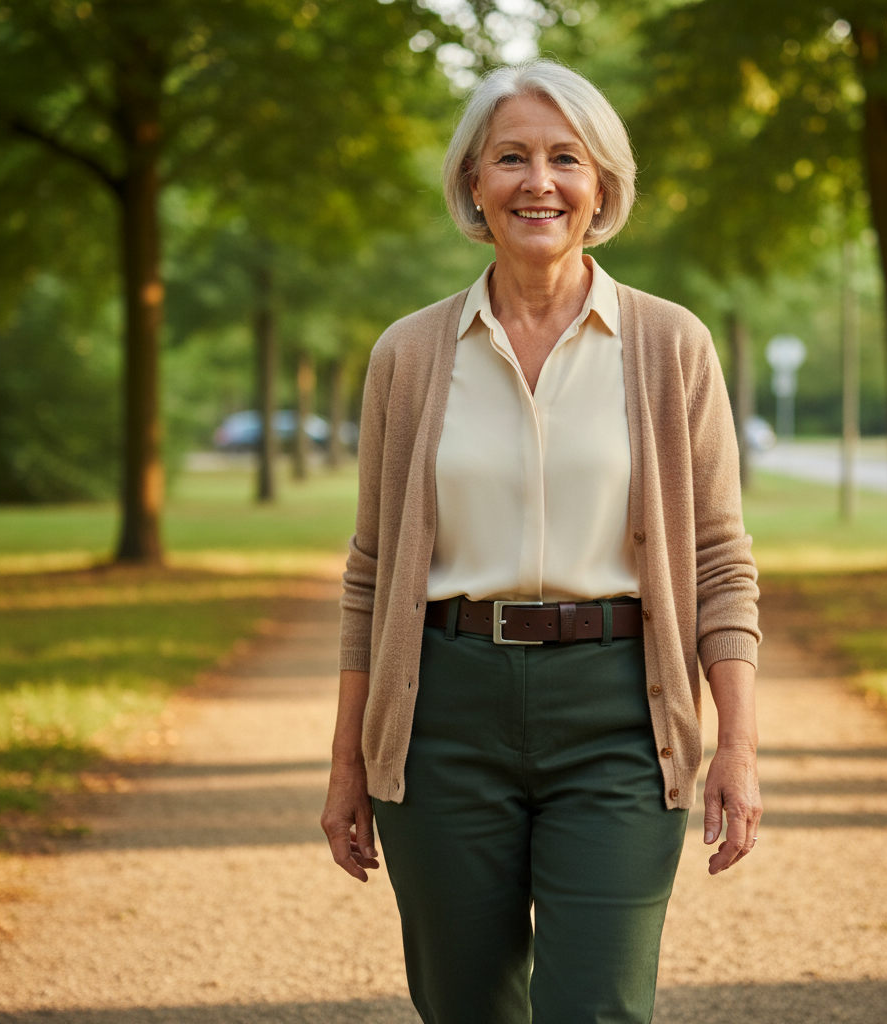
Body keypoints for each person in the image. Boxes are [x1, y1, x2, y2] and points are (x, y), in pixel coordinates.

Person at [321, 59, 762, 1024]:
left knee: (595, 1005)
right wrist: (350, 760)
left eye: (567, 158)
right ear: (472, 183)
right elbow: (371, 571)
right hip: (443, 714)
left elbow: (722, 562)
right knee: (467, 1005)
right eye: (510, 158)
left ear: (601, 185)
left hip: (619, 714)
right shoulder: (407, 354)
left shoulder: (671, 344)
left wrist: (738, 742)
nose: (539, 181)